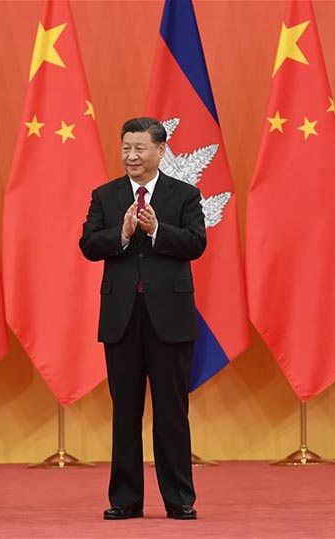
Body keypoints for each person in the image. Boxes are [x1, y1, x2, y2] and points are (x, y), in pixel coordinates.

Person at [79, 117, 207, 521]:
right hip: (122, 319)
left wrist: (156, 231)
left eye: (139, 148)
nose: (131, 156)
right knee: (125, 412)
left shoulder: (184, 194)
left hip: (169, 319)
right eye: (126, 148)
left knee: (172, 412)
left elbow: (197, 243)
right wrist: (121, 233)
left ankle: (179, 499)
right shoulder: (106, 195)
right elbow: (88, 245)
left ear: (160, 151)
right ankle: (125, 500)